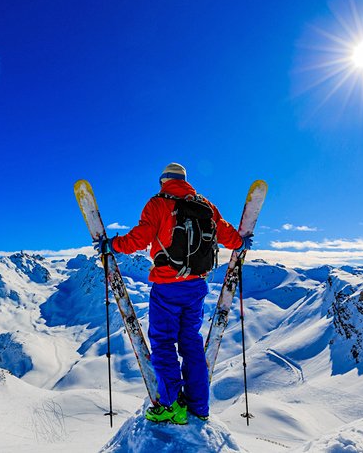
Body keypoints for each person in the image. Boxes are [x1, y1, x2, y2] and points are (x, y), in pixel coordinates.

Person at [94, 162, 252, 424]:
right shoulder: (206, 205)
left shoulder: (158, 203)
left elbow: (139, 238)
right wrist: (241, 242)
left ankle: (170, 405)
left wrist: (112, 245)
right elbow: (226, 233)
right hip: (197, 286)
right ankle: (199, 406)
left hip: (167, 285)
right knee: (190, 341)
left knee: (164, 342)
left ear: (163, 181)